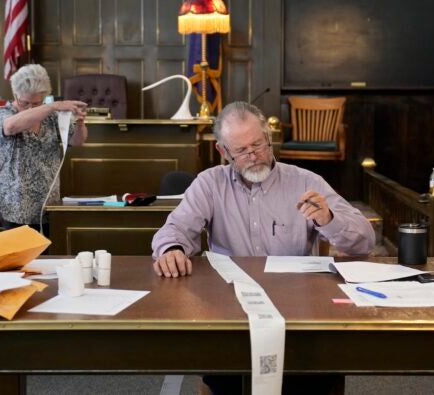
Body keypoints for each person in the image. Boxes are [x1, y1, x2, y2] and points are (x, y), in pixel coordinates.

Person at [151, 101, 374, 395]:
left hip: (298, 313)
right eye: (241, 151)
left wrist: (329, 219)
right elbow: (174, 228)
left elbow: (365, 240)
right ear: (223, 151)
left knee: (317, 377)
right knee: (223, 378)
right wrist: (172, 249)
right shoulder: (210, 184)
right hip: (232, 312)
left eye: (259, 144)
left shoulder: (305, 181)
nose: (254, 156)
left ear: (269, 138)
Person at [0, 64, 88, 235]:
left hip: (48, 203)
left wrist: (80, 122)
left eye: (37, 103)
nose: (31, 108)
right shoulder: (3, 112)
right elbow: (11, 126)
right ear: (15, 94)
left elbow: (77, 141)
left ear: (44, 97)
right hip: (16, 205)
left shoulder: (51, 117)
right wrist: (51, 106)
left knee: (49, 258)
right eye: (25, 102)